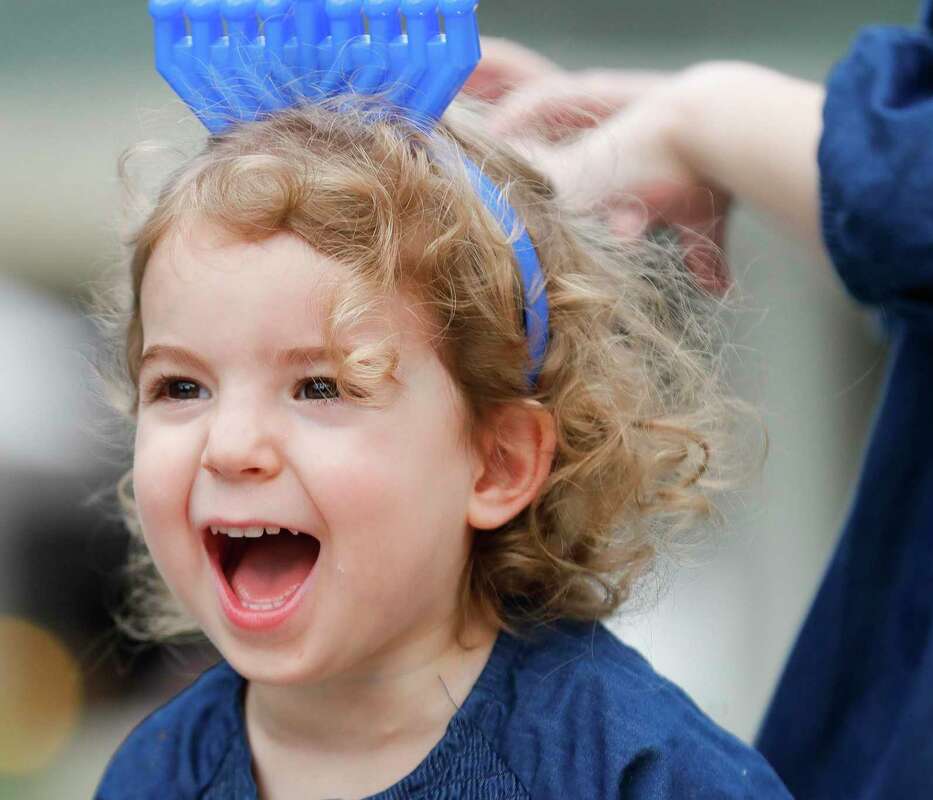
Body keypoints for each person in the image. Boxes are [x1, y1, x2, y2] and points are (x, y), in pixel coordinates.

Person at [469, 3, 933, 797]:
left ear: (502, 458)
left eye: (333, 386)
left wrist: (709, 117)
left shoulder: (628, 757)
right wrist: (685, 116)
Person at [93, 102, 790, 798]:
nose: (231, 445)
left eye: (319, 387)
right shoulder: (155, 774)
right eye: (181, 386)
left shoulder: (635, 772)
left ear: (496, 465)